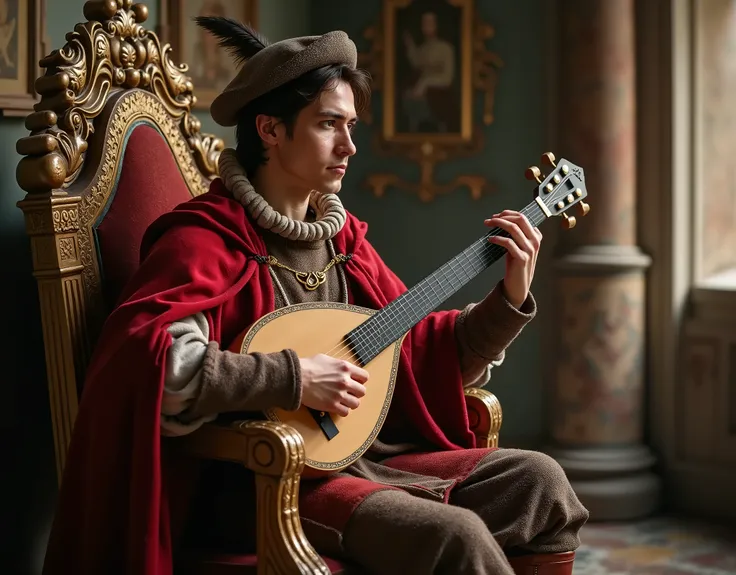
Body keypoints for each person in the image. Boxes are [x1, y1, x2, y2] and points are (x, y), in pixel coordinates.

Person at [41, 18, 588, 575]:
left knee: (541, 483)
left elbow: (422, 353)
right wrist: (294, 377)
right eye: (330, 124)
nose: (350, 145)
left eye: (351, 125)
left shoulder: (344, 241)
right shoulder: (204, 240)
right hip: (263, 484)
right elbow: (160, 367)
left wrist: (509, 296)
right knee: (457, 537)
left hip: (360, 458)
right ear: (271, 131)